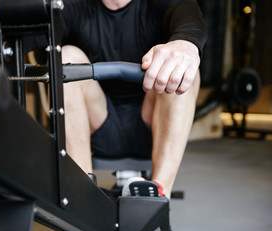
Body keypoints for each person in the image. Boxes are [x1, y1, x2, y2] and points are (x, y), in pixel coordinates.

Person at [57, 0, 207, 198]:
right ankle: (81, 198)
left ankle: (159, 196)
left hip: (152, 123)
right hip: (98, 123)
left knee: (180, 69)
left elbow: (187, 14)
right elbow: (27, 35)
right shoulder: (74, 6)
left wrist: (185, 43)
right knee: (66, 57)